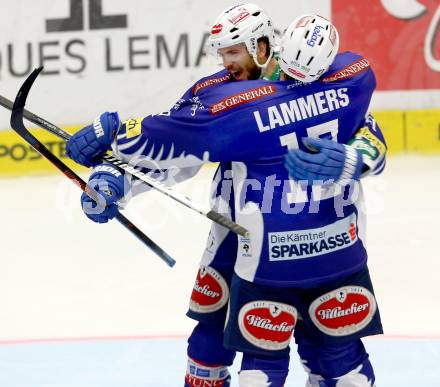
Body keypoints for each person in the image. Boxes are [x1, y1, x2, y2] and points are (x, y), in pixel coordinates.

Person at [66, 10, 387, 387]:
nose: (226, 62)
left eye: (234, 51)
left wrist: (360, 157)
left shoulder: (318, 82)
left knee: (326, 349)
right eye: (221, 53)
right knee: (208, 345)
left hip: (314, 236)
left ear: (263, 46)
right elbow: (179, 156)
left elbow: (368, 134)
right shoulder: (212, 93)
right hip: (234, 234)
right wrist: (115, 180)